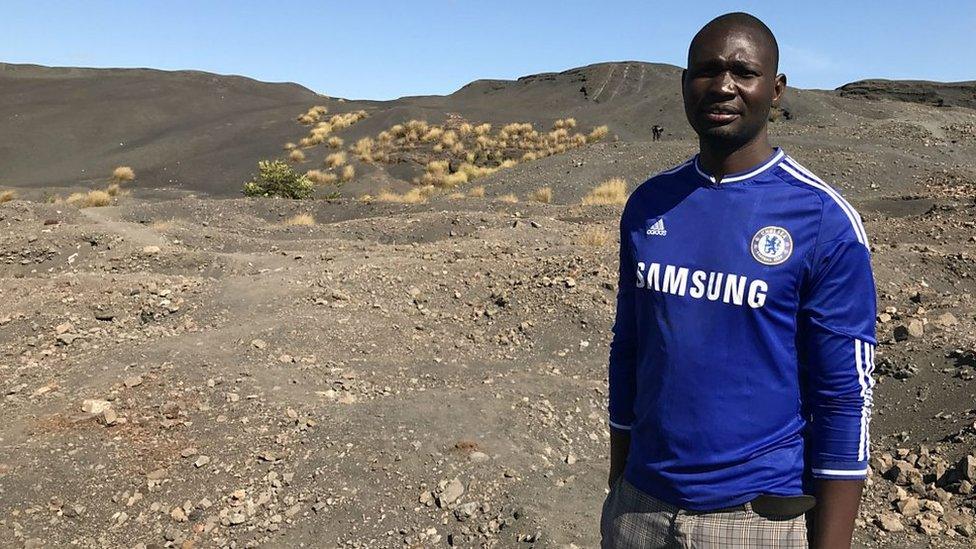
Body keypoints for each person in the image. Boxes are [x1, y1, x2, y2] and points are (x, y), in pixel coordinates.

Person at [601, 12, 875, 549]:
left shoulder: (822, 220)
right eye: (706, 70)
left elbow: (845, 395)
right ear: (684, 85)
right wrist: (620, 484)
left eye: (743, 72)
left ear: (775, 90)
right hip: (640, 508)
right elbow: (629, 349)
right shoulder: (648, 205)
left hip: (753, 520)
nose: (723, 85)